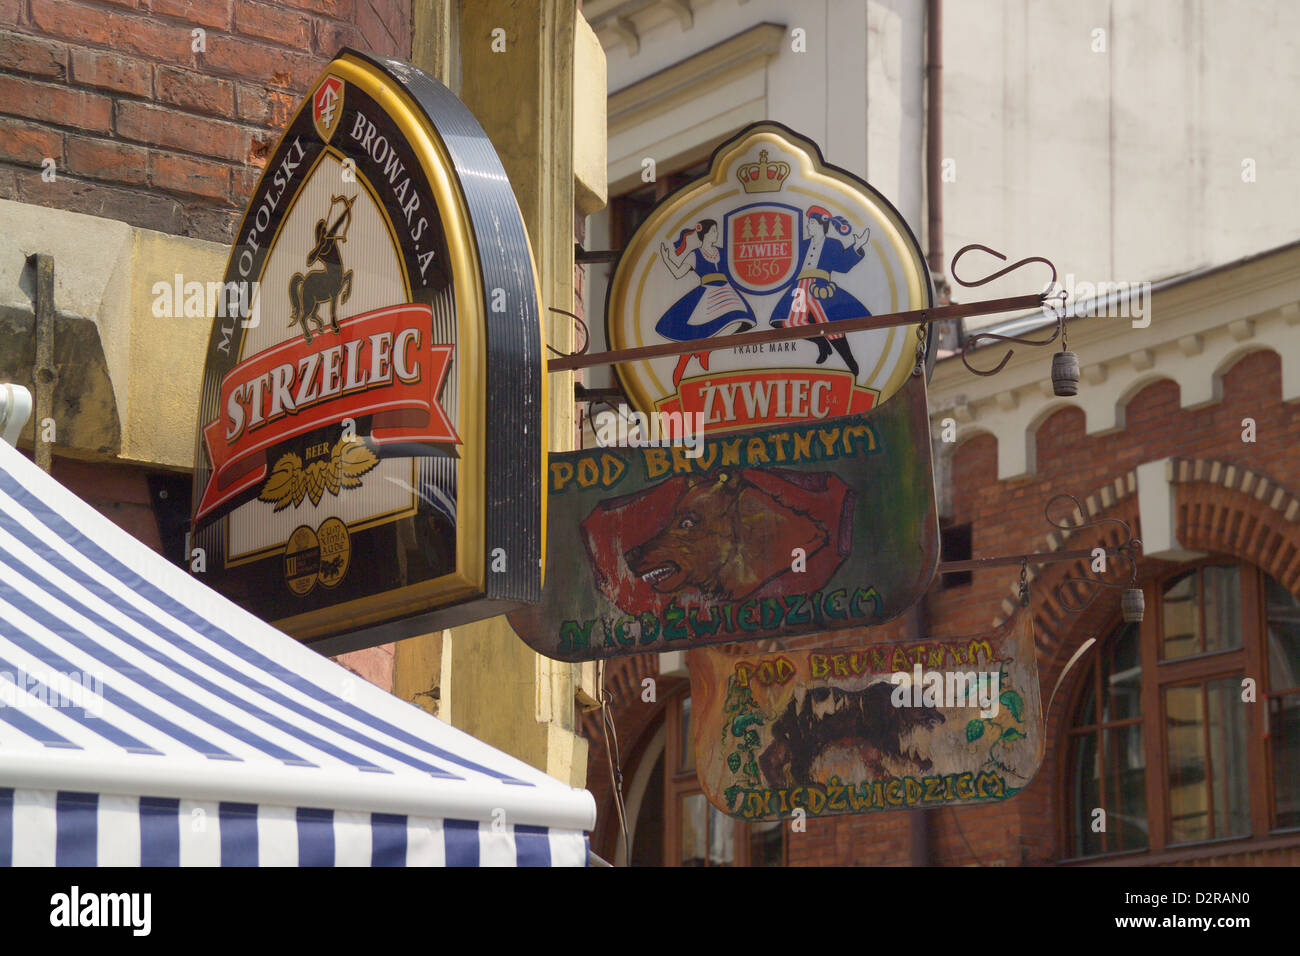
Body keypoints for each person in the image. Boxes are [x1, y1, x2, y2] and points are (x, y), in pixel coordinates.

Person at [768, 205, 872, 377]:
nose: (808, 226)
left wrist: (857, 246)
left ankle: (851, 363)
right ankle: (822, 344)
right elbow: (789, 265)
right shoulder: (802, 245)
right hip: (799, 289)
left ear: (820, 225)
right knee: (786, 322)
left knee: (830, 326)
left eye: (811, 223)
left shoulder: (832, 243)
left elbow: (843, 266)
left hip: (821, 288)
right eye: (809, 223)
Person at [656, 219, 757, 387]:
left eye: (717, 232)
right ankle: (690, 357)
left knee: (740, 321)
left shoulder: (721, 251)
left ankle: (705, 350)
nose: (717, 235)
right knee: (702, 328)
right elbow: (678, 273)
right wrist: (667, 259)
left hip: (726, 291)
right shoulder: (695, 254)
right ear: (706, 234)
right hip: (708, 294)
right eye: (714, 232)